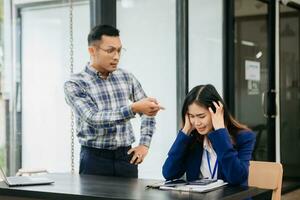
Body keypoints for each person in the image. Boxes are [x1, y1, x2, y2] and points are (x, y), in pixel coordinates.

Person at [64, 24, 162, 178]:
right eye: (110, 50)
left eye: (119, 50)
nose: (116, 56)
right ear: (92, 51)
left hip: (126, 157)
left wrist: (144, 144)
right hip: (94, 159)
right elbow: (93, 118)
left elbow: (148, 110)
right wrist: (133, 109)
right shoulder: (75, 83)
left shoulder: (126, 77)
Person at [162, 84, 255, 186]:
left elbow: (237, 178)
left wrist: (220, 132)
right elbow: (169, 173)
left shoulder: (243, 137)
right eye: (191, 116)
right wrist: (185, 132)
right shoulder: (192, 138)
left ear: (216, 112)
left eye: (201, 116)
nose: (196, 123)